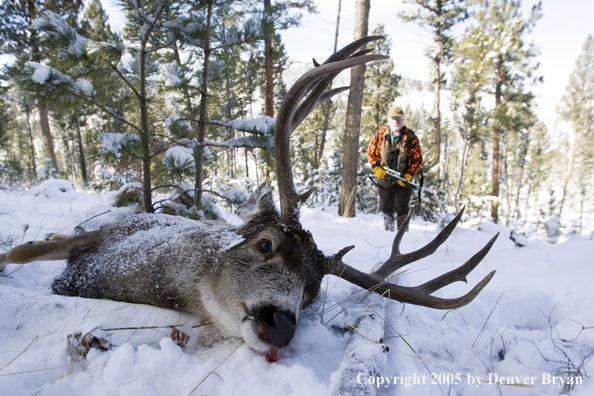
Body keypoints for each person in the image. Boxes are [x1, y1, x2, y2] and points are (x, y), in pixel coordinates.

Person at [366, 106, 423, 231]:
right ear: (389, 119)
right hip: (384, 177)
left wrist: (409, 174)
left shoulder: (411, 137)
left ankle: (402, 235)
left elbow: (417, 159)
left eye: (399, 118)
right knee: (386, 207)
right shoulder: (380, 134)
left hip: (403, 179)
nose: (396, 121)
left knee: (402, 208)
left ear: (403, 119)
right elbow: (371, 153)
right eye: (394, 119)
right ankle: (388, 233)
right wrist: (376, 167)